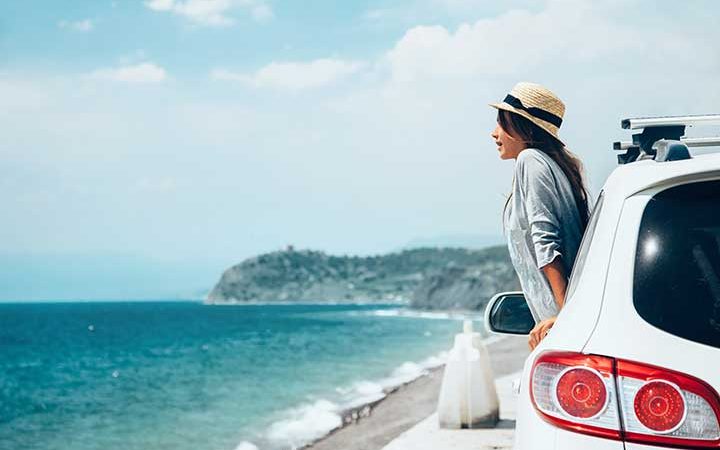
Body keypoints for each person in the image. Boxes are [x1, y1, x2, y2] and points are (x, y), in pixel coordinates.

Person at [489, 82, 591, 350]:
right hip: (566, 321)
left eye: (502, 123)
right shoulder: (555, 166)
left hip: (564, 326)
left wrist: (566, 316)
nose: (494, 133)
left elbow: (545, 242)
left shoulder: (530, 160)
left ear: (523, 127)